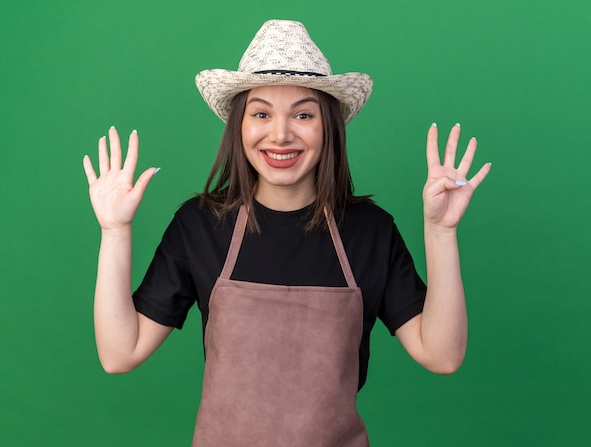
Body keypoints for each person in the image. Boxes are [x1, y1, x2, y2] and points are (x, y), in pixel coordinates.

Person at [83, 19, 491, 447]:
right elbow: (119, 353)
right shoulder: (201, 225)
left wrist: (441, 231)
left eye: (302, 114)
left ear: (328, 126)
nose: (280, 134)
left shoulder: (370, 230)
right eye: (261, 113)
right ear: (239, 126)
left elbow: (442, 355)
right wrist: (114, 231)